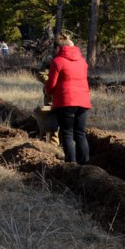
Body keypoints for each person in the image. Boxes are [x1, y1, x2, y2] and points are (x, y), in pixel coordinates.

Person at [44, 32, 92, 165]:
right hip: (83, 101)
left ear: (58, 48)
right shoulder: (83, 61)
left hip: (66, 102)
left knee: (67, 133)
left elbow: (51, 85)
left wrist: (48, 91)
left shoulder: (58, 61)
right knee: (80, 133)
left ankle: (71, 164)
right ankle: (85, 165)